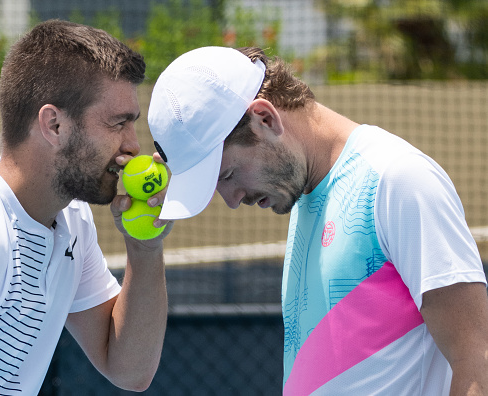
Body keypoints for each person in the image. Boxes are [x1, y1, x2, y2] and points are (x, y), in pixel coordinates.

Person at [147, 46, 488, 395]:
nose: (232, 201)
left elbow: (476, 361)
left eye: (229, 174)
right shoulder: (307, 197)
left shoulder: (398, 179)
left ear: (265, 119)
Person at [0, 20, 172, 395]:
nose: (133, 146)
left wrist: (145, 246)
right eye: (118, 123)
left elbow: (129, 370)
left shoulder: (72, 221)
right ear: (54, 125)